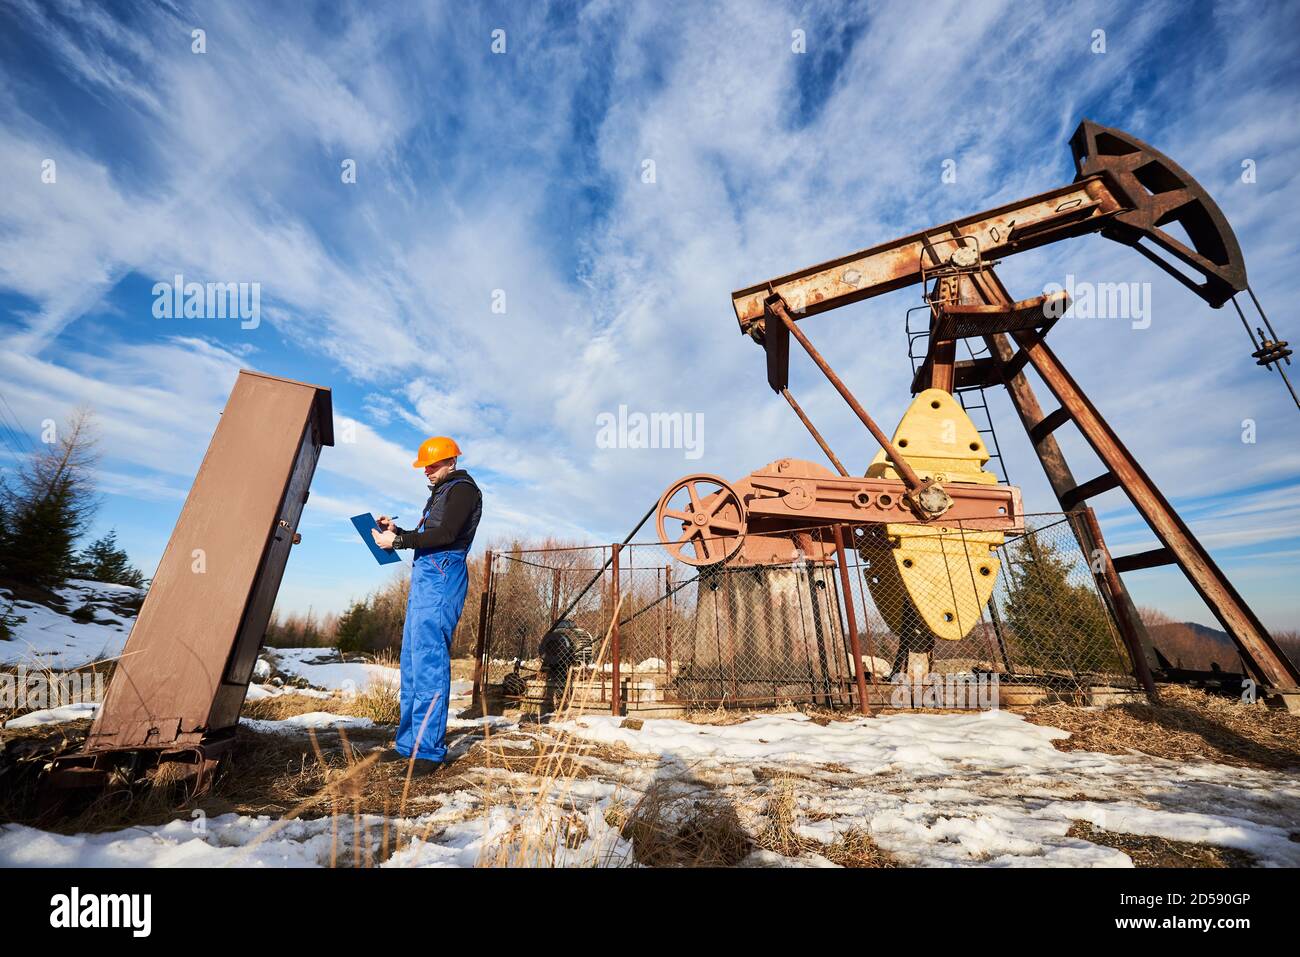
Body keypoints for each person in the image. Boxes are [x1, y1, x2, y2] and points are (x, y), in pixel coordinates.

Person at [371, 435, 482, 770]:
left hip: (443, 572)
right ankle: (408, 744)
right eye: (424, 467)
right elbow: (431, 534)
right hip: (426, 573)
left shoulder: (463, 489)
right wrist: (397, 530)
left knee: (430, 659)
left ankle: (429, 751)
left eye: (432, 465)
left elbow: (446, 534)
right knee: (413, 659)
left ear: (451, 461)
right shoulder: (441, 492)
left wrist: (400, 540)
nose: (427, 472)